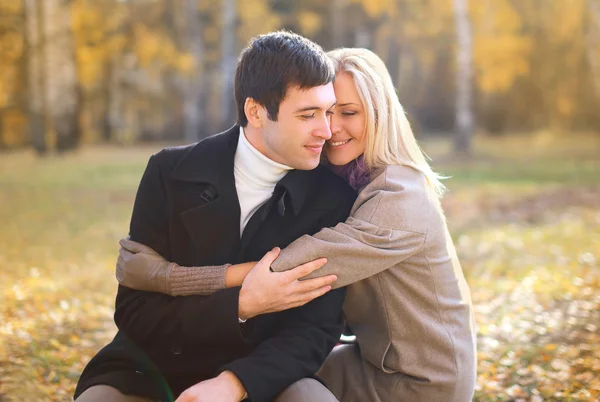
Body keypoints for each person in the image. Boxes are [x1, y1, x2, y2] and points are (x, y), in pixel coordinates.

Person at [118, 47, 478, 402]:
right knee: (268, 369)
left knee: (269, 377)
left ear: (381, 115)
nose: (330, 128)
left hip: (418, 380)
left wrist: (162, 276)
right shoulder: (347, 179)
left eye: (348, 113)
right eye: (321, 113)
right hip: (373, 357)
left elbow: (293, 268)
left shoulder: (398, 198)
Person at [74, 31, 359, 402]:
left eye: (328, 111)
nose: (326, 130)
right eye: (308, 115)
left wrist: (233, 383)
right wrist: (241, 305)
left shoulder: (334, 196)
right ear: (256, 112)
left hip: (263, 375)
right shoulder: (169, 172)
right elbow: (135, 312)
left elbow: (315, 329)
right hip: (151, 367)